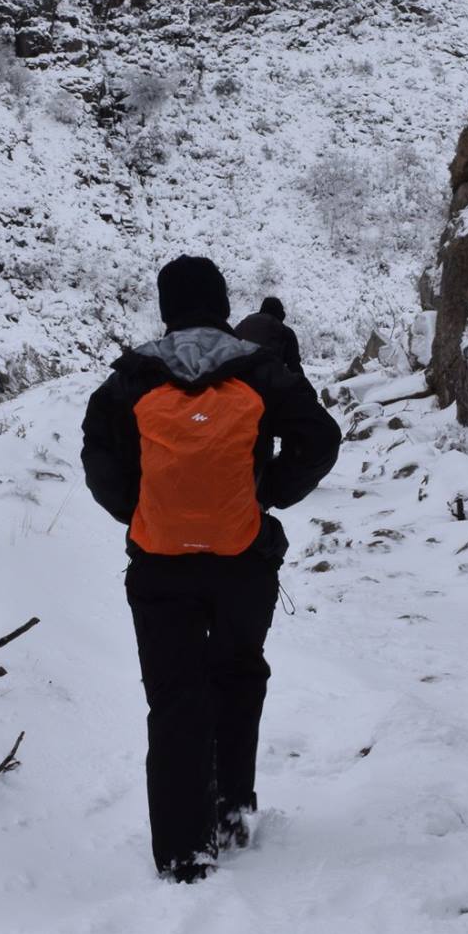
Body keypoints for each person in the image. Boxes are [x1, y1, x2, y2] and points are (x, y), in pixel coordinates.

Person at [81, 256, 341, 883]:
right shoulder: (259, 369)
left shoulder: (132, 377)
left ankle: (182, 854)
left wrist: (143, 512)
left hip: (159, 564)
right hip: (243, 560)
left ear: (166, 307)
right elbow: (320, 439)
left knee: (175, 697)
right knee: (237, 677)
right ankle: (231, 813)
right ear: (223, 305)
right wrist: (265, 495)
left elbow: (99, 460)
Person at [233, 295, 303, 376]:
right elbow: (294, 366)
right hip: (263, 379)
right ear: (281, 314)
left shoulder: (243, 324)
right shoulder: (285, 331)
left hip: (233, 376)